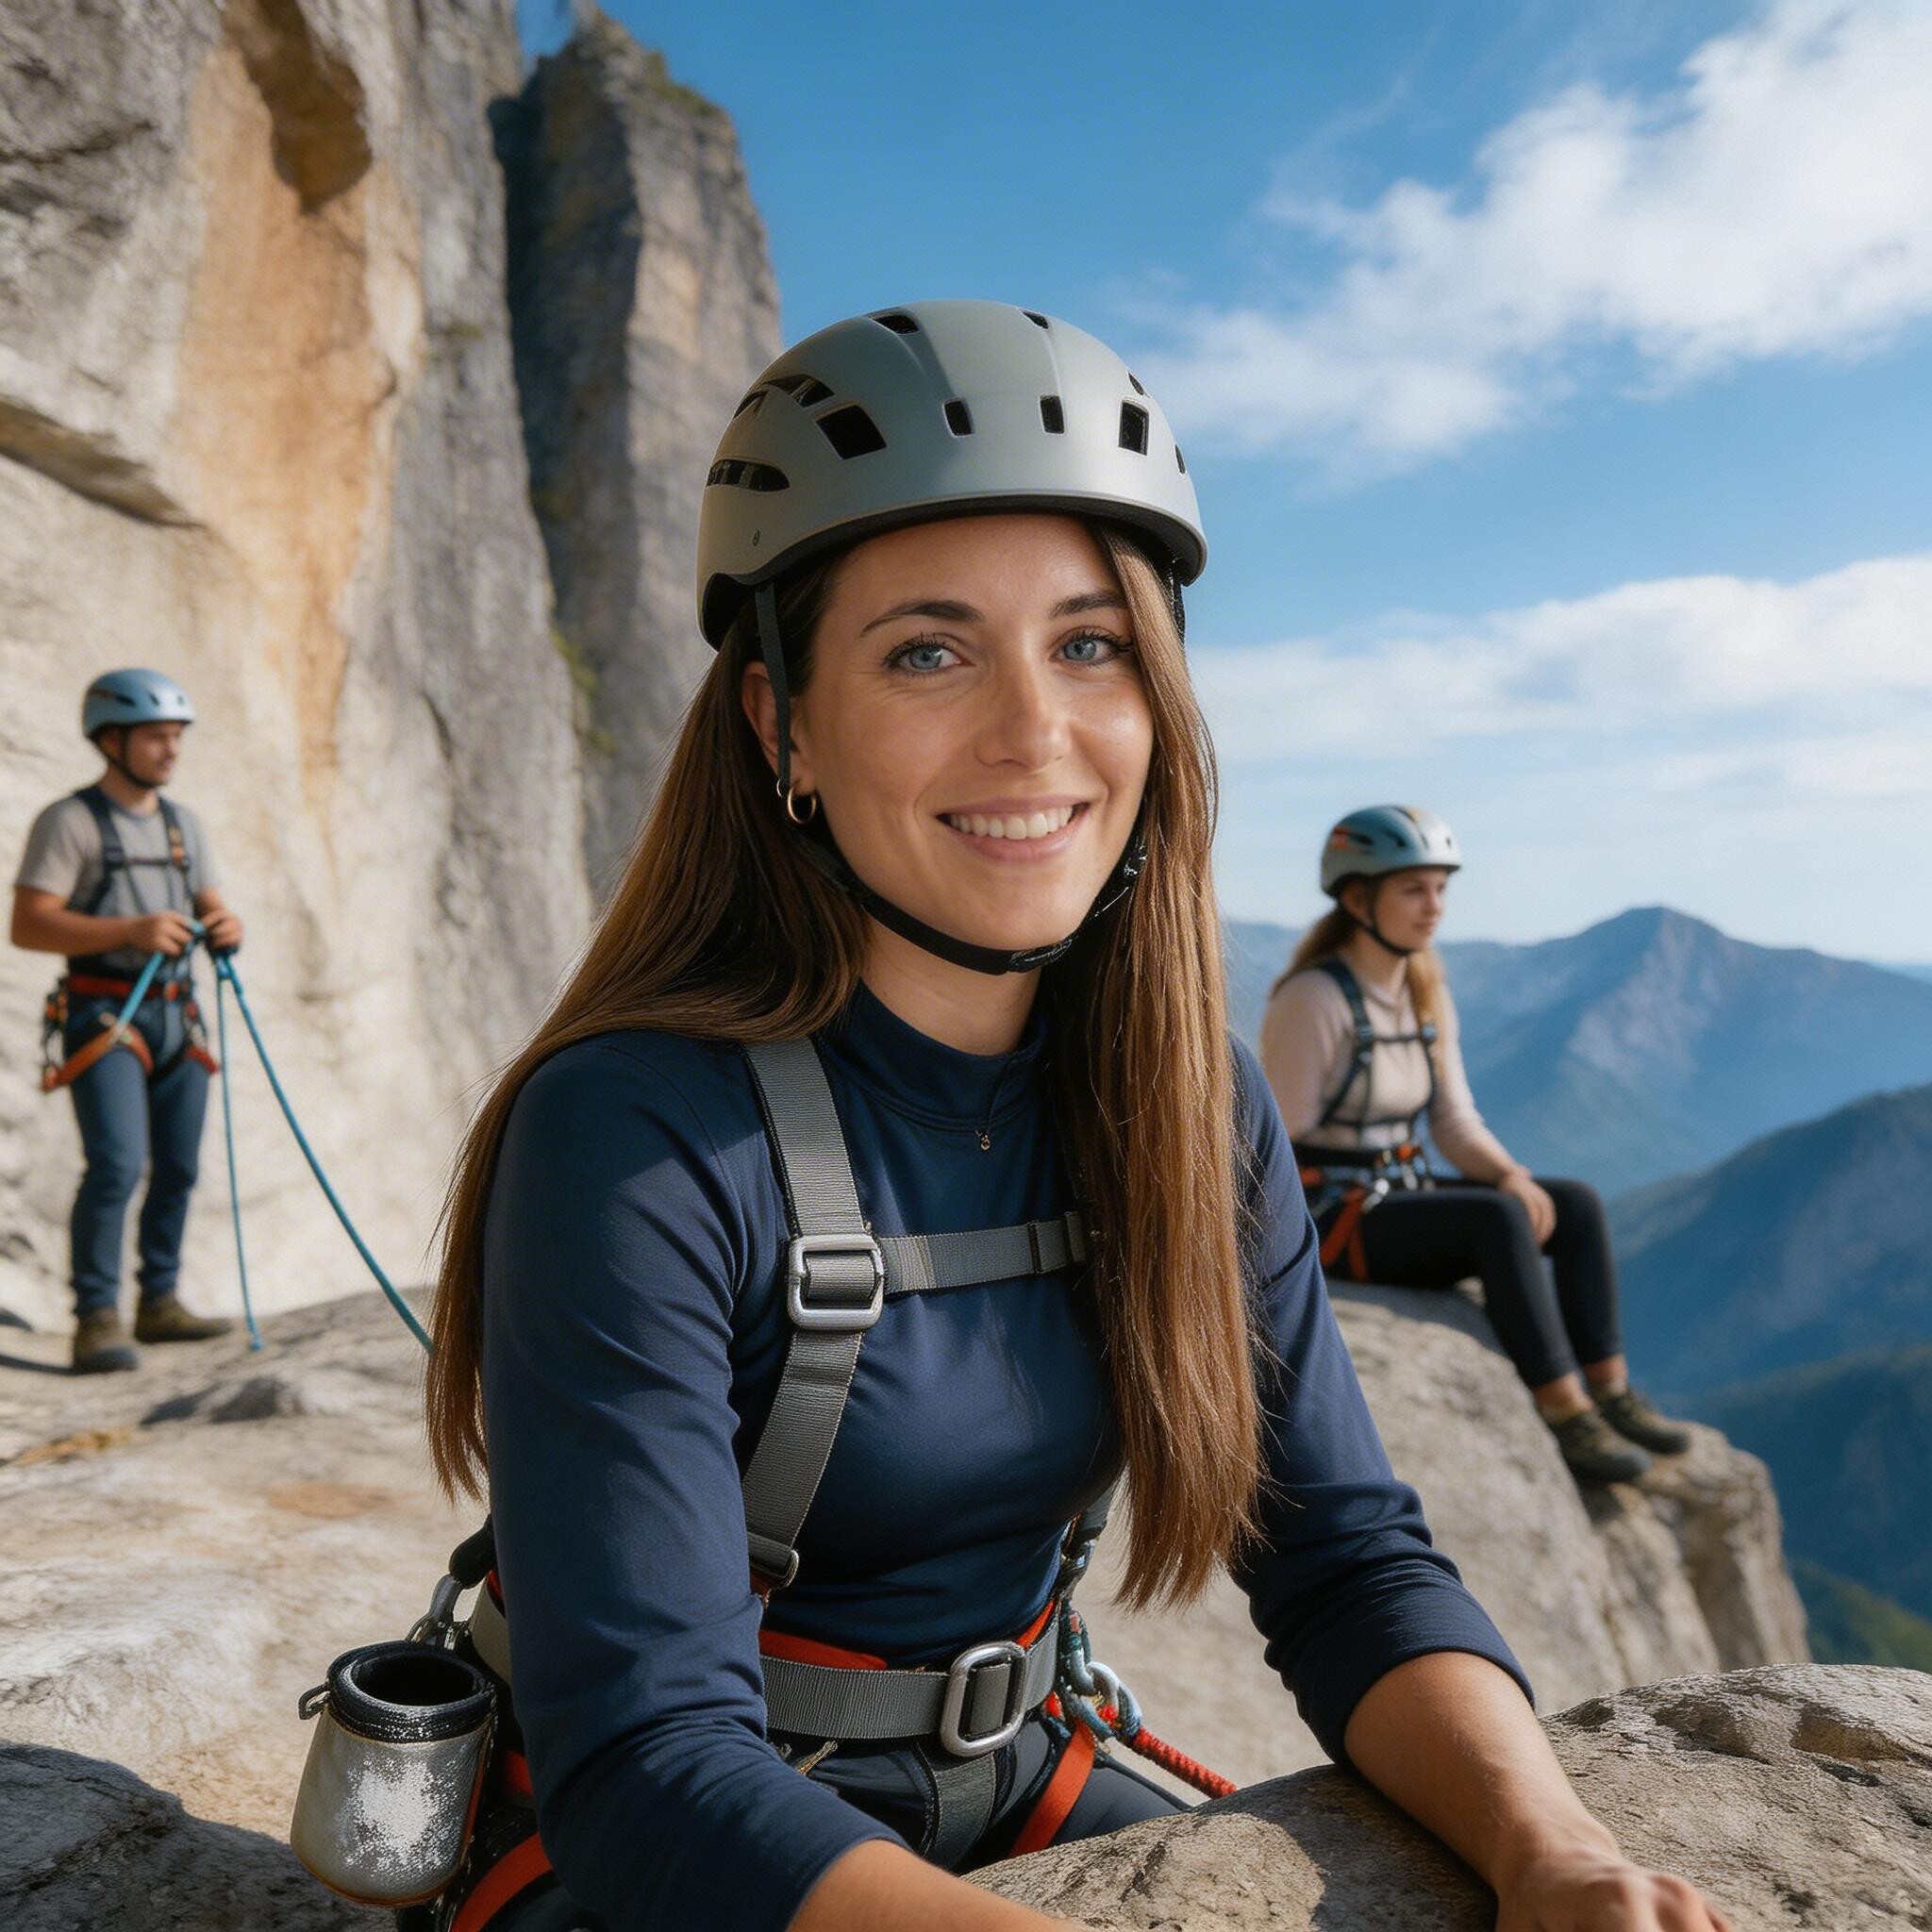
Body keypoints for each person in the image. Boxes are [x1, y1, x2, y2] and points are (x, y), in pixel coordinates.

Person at [423, 304, 1731, 1932]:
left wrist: (1551, 1851)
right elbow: (654, 1767)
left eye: (1089, 641)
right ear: (779, 726)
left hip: (1020, 1768)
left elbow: (1343, 1561)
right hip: (682, 1863)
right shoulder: (637, 1131)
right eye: (926, 647)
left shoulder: (1183, 1097)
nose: (1032, 730)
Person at [1259, 805, 1692, 1486]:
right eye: (1414, 889)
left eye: (1440, 888)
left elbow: (1453, 1122)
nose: (1435, 907)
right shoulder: (1313, 1000)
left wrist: (1512, 1174)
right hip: (1330, 1215)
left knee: (1571, 1203)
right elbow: (1276, 1137)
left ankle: (1610, 1391)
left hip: (1396, 1193)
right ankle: (1564, 1410)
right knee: (1494, 1219)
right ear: (1356, 896)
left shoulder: (1424, 992)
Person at [11, 671, 242, 1373]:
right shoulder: (70, 821)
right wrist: (131, 929)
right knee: (116, 1164)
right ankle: (97, 1318)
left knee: (177, 1166)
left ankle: (160, 1303)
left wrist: (225, 925)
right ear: (111, 740)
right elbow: (28, 924)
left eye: (176, 736)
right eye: (156, 736)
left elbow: (209, 901)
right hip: (105, 1012)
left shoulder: (183, 826)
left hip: (178, 1013)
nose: (171, 750)